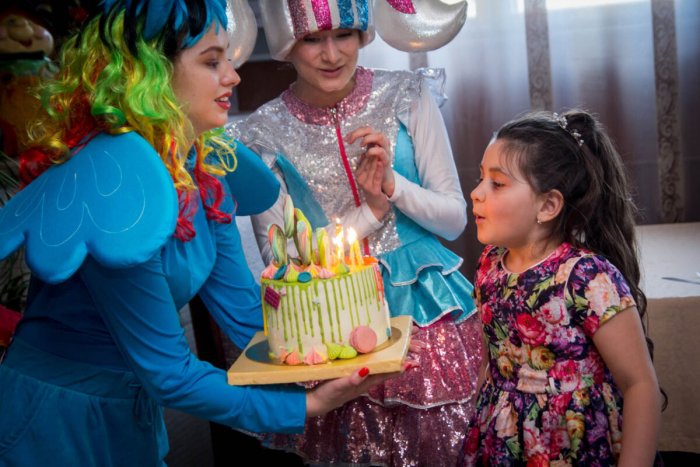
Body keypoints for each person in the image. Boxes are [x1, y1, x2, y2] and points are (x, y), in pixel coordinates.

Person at [0, 1, 397, 465]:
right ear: (149, 74)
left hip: (132, 409)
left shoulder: (206, 171)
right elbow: (169, 374)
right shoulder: (117, 183)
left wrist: (333, 358)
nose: (233, 76)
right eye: (212, 62)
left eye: (227, 59)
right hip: (54, 418)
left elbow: (246, 314)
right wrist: (306, 406)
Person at [227, 2, 483, 465]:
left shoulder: (406, 94)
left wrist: (393, 185)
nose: (332, 54)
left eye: (344, 34)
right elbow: (278, 255)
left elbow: (453, 218)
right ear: (287, 43)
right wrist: (370, 213)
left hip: (425, 308)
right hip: (329, 329)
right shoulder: (264, 131)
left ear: (363, 33)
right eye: (312, 39)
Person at [460, 109, 663, 466]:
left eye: (497, 183)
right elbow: (492, 359)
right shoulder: (490, 264)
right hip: (503, 442)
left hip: (575, 445)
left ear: (548, 205)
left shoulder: (586, 278)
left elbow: (640, 386)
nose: (476, 193)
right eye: (480, 179)